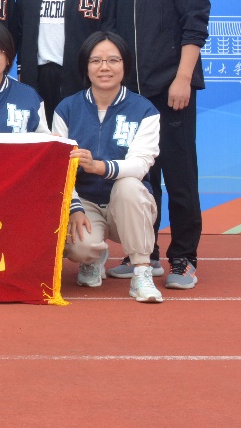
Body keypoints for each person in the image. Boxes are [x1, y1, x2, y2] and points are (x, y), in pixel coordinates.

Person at [109, 0, 210, 289]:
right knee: (142, 178)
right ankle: (145, 254)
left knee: (179, 176)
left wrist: (182, 78)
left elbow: (195, 25)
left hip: (172, 93)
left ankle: (183, 259)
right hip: (134, 100)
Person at [55, 31, 162, 303]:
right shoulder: (67, 109)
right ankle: (92, 259)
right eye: (96, 61)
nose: (104, 67)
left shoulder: (144, 110)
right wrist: (74, 208)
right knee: (81, 247)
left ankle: (141, 272)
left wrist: (101, 167)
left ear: (125, 65)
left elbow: (140, 165)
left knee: (129, 186)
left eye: (113, 60)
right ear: (85, 66)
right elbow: (58, 168)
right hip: (86, 202)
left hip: (127, 203)